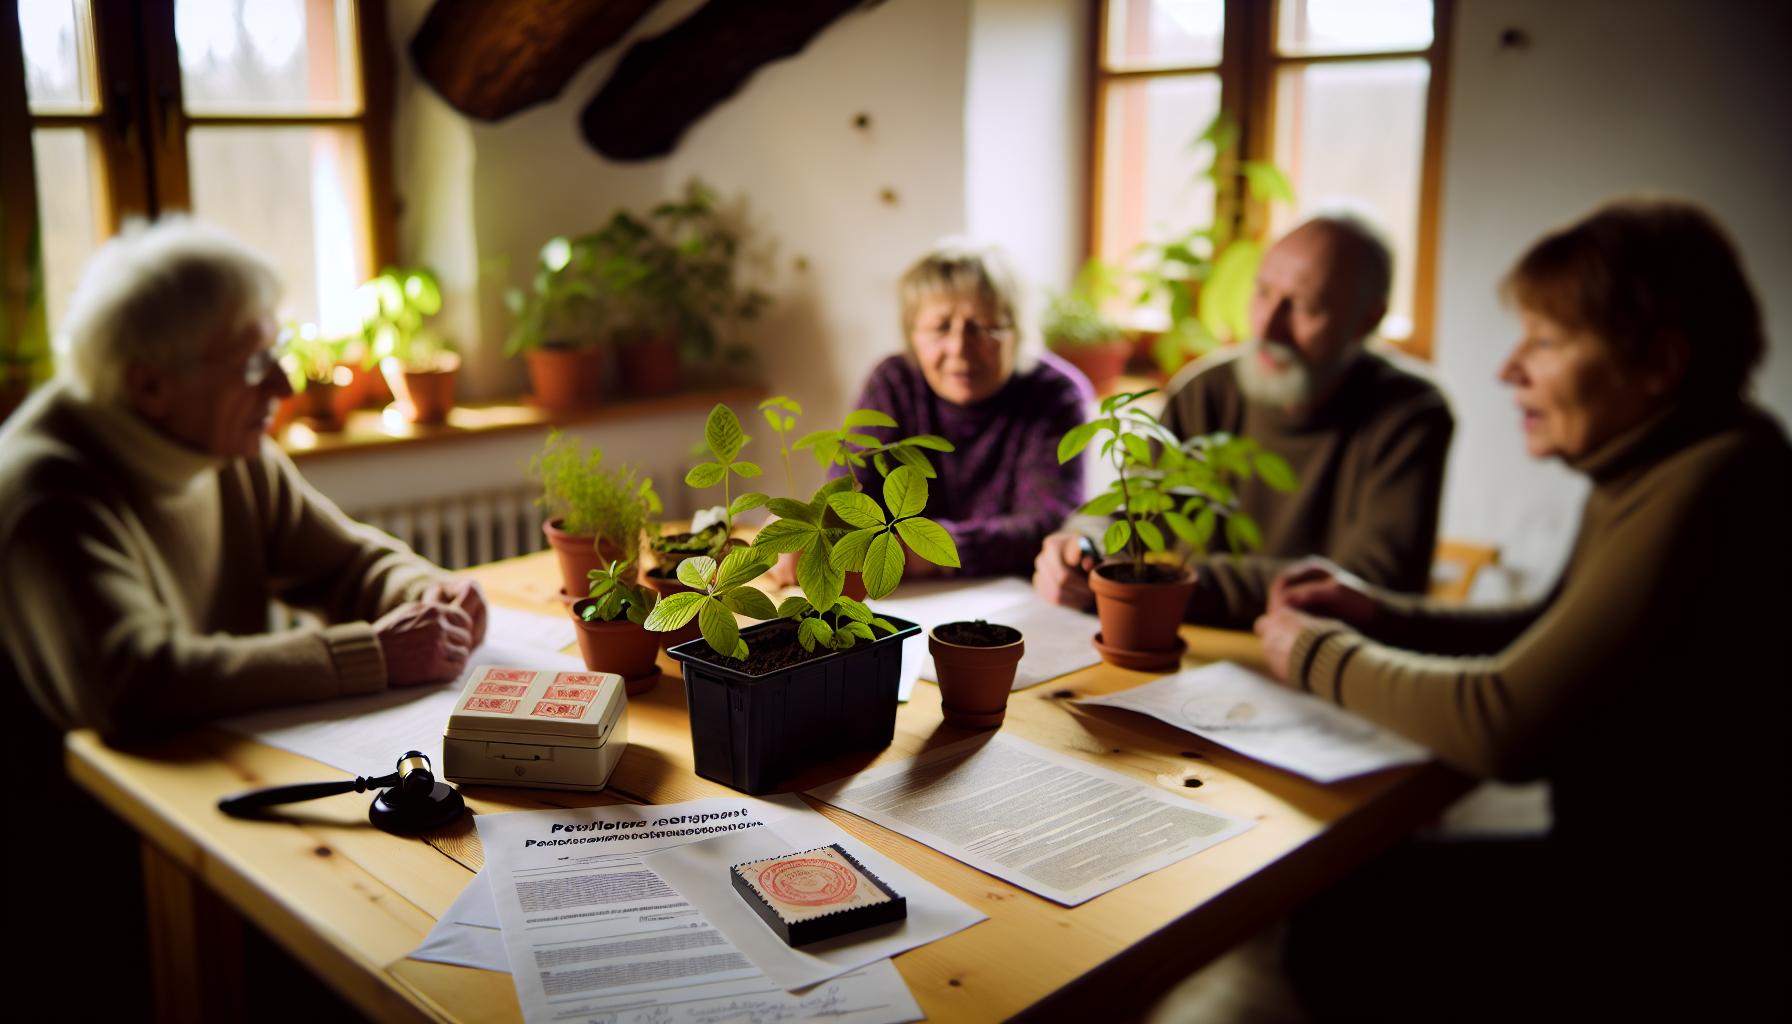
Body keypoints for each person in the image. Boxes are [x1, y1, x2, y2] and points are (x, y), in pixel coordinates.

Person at [1255, 198, 1789, 1018]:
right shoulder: (1662, 462)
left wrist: (1317, 654)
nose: (1510, 370)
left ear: (1659, 362)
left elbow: (1506, 722)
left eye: (1543, 341)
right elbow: (1553, 628)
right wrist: (1384, 616)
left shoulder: (1713, 484)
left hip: (1672, 922)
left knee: (1341, 924)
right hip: (1619, 876)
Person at [0, 218, 484, 742]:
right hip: (98, 813)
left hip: (213, 760)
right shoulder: (46, 491)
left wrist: (426, 595)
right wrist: (371, 657)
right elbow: (133, 682)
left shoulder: (222, 443)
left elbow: (346, 564)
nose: (285, 382)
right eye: (253, 364)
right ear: (150, 385)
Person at [1034, 215, 1454, 626]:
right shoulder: (1205, 390)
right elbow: (1134, 513)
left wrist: (1157, 583)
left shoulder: (1411, 415)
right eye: (1263, 293)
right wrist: (1082, 545)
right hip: (1190, 655)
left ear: (1368, 319)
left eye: (1303, 307)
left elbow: (1367, 587)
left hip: (1317, 669)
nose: (1269, 326)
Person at [825, 242, 1092, 578]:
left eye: (982, 327)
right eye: (940, 327)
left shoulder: (1055, 394)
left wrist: (921, 551)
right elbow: (848, 498)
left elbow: (1047, 525)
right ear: (912, 334)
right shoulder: (893, 383)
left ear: (1017, 332)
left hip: (1015, 598)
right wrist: (815, 529)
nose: (959, 349)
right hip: (898, 597)